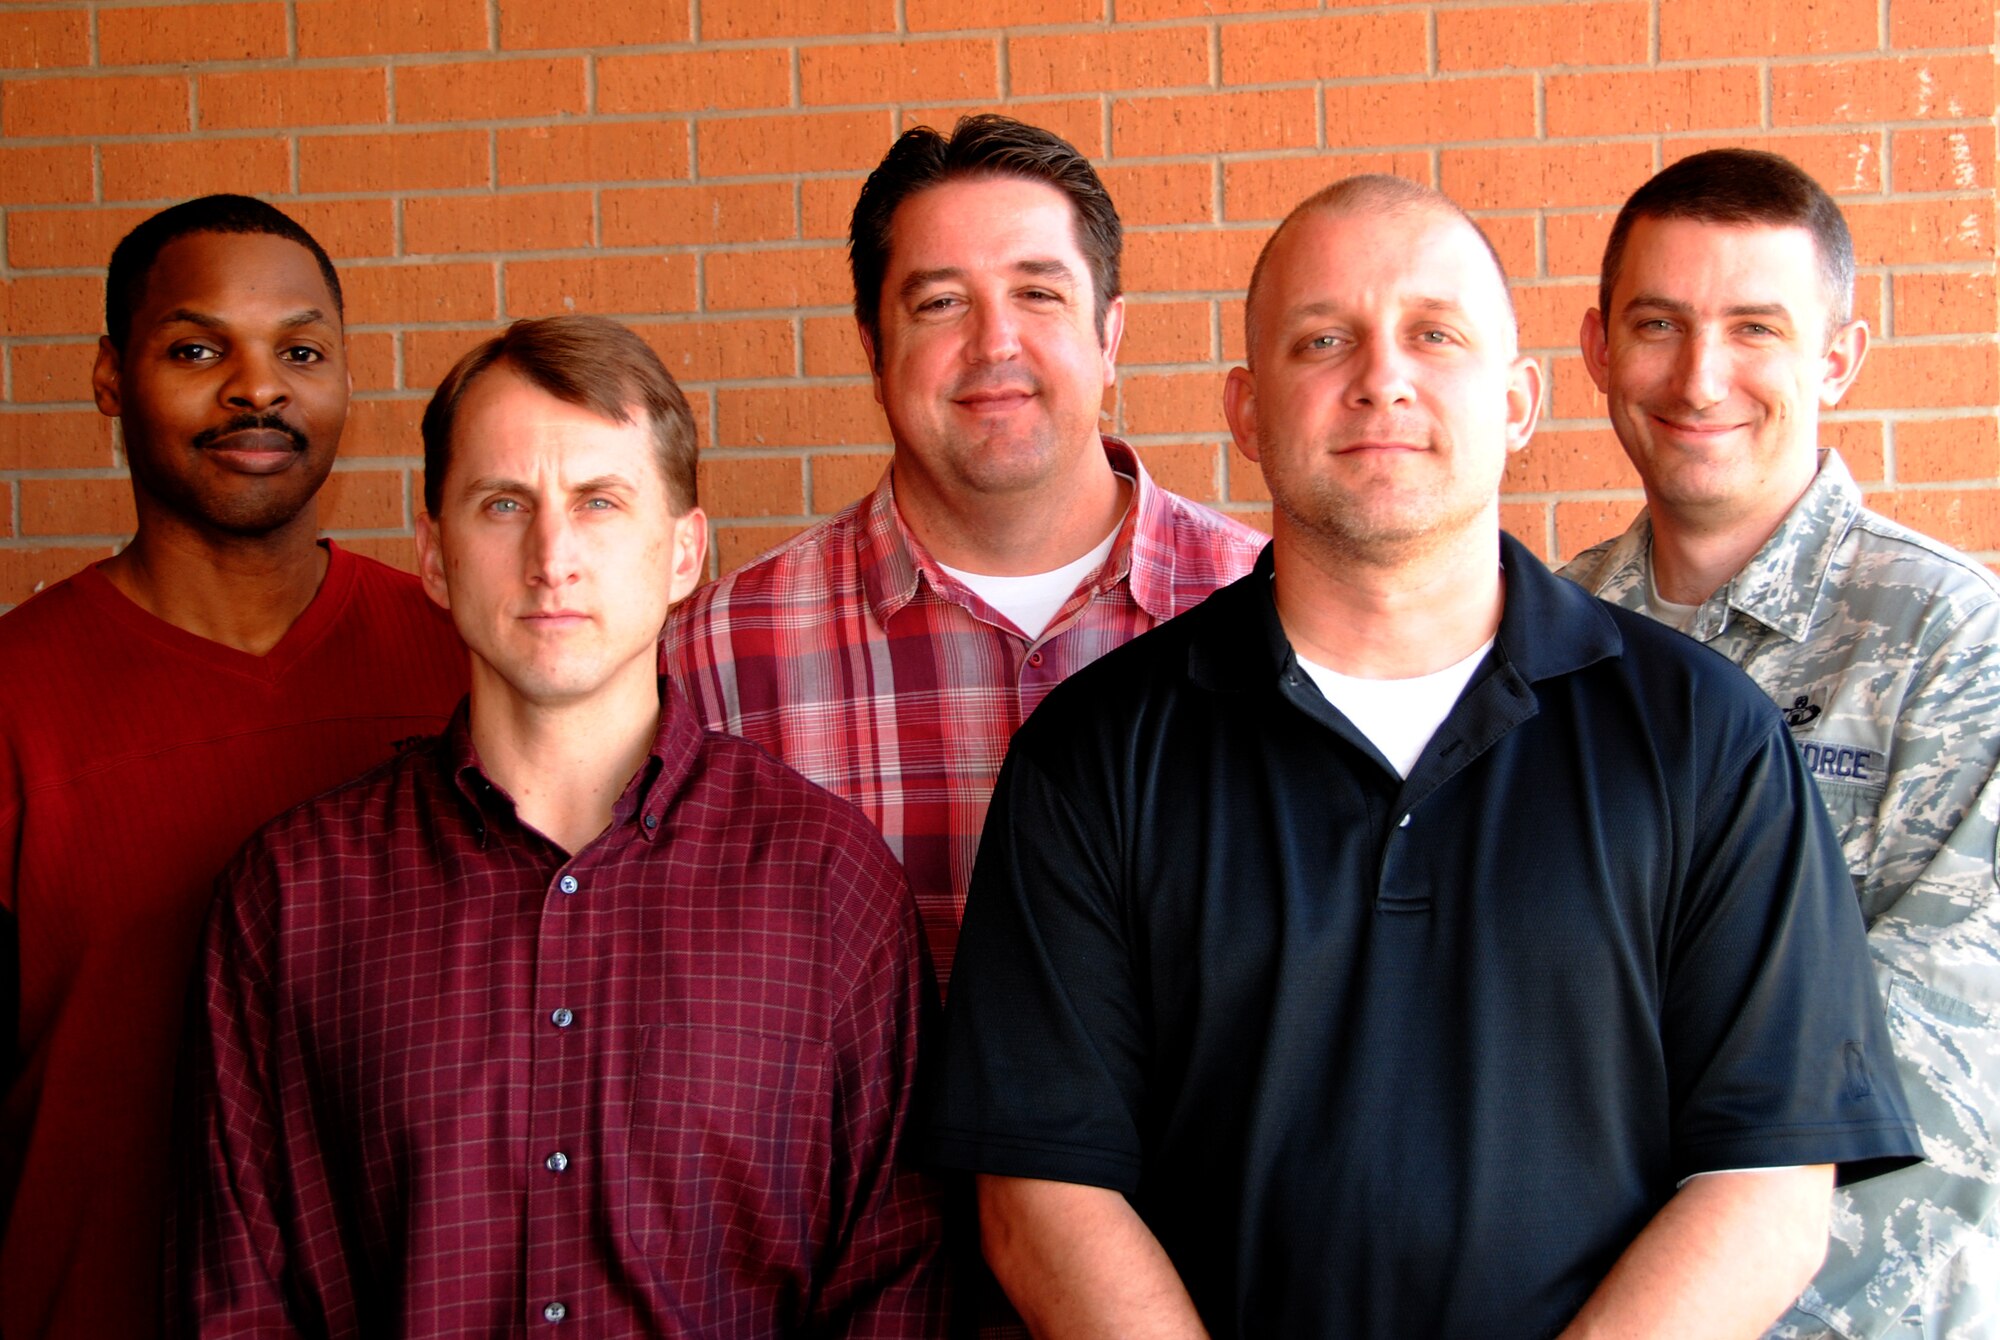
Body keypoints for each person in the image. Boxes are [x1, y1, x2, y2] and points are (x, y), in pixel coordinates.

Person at [924, 175, 1925, 1339]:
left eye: (1431, 334)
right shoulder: (1095, 751)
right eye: (1322, 338)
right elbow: (1041, 1189)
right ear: (1245, 411)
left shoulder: (1704, 736)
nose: (1380, 378)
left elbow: (1768, 1176)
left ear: (1516, 400)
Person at [172, 316, 944, 1337]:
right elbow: (238, 1302)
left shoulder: (824, 881)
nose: (552, 555)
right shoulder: (294, 895)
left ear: (681, 554)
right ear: (434, 556)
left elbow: (891, 1286)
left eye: (599, 502)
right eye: (503, 503)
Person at [0, 195, 467, 1340]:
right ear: (111, 375)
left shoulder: (463, 659)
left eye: (299, 351)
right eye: (198, 348)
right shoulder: (15, 694)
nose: (257, 388)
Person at [664, 115, 1264, 988]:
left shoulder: (1267, 612)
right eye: (940, 302)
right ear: (873, 347)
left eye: (1038, 293)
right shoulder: (716, 659)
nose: (994, 344)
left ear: (1109, 336)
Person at [1563, 149, 1999, 1340]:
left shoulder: (1952, 643)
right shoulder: (1543, 638)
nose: (1699, 376)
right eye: (1657, 323)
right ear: (1598, 348)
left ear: (1836, 359)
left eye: (1753, 325)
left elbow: (1941, 1060)